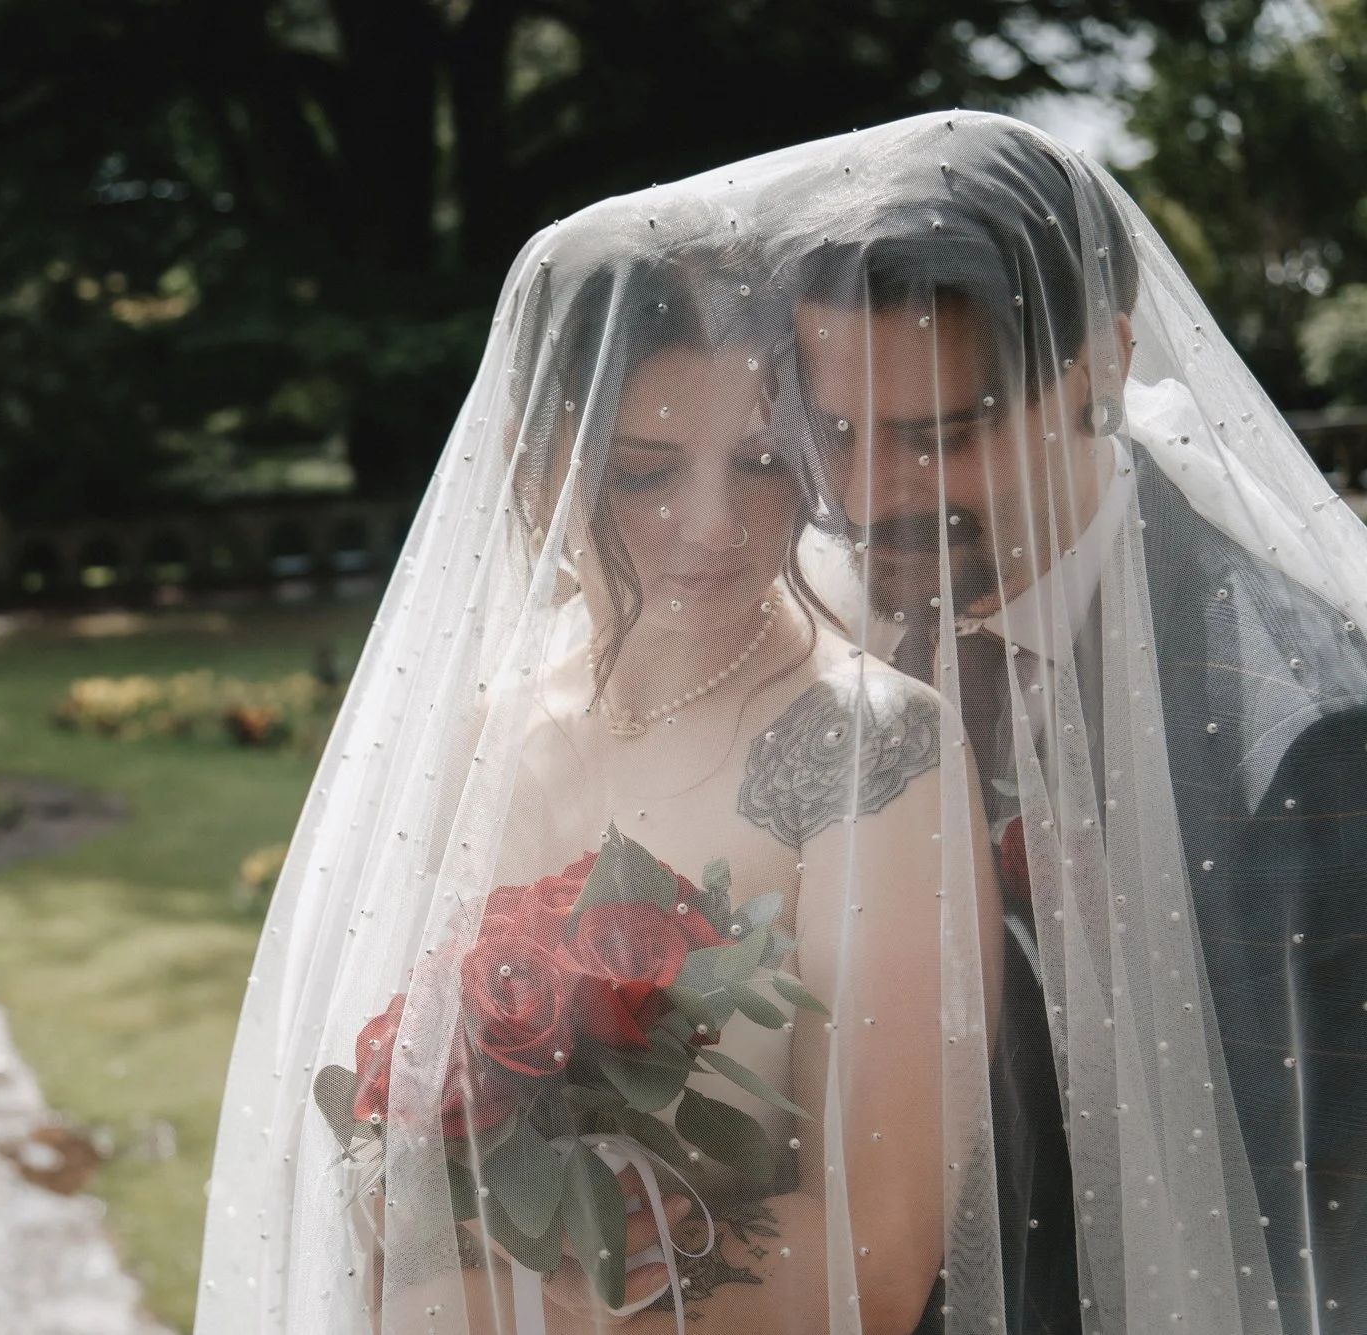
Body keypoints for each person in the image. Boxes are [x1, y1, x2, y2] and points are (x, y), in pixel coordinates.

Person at [198, 194, 1001, 1333]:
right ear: (536, 476)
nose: (713, 524)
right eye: (643, 472)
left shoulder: (874, 747)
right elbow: (382, 1165)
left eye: (762, 461)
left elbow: (875, 1254)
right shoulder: (483, 732)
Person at [779, 113, 1367, 1333]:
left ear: (1098, 368)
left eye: (938, 438)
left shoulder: (1298, 741)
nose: (867, 497)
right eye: (836, 433)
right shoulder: (795, 629)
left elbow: (1322, 1243)